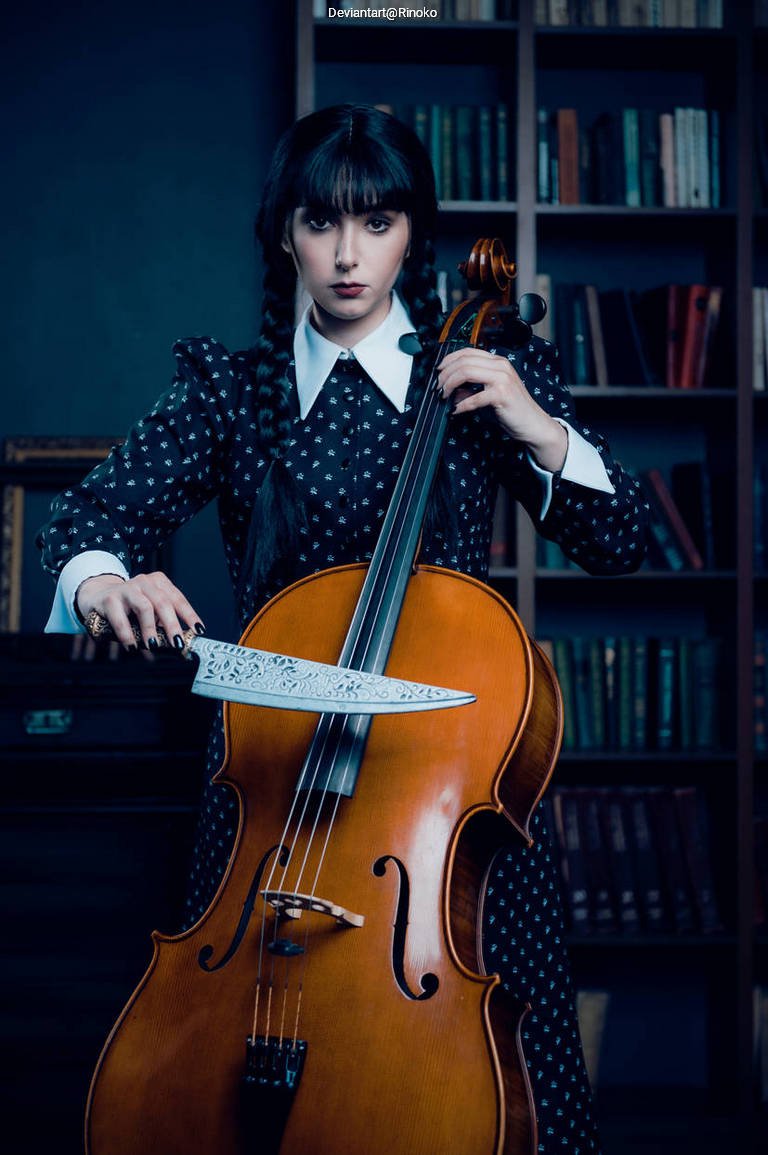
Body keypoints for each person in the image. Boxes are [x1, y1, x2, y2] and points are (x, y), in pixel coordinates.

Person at [39, 103, 648, 1153]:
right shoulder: (232, 391)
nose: (350, 255)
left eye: (378, 223)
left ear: (415, 231)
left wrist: (536, 424)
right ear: (287, 234)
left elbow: (624, 541)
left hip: (442, 811)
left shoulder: (477, 380)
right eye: (323, 223)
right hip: (272, 800)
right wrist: (104, 584)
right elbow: (87, 520)